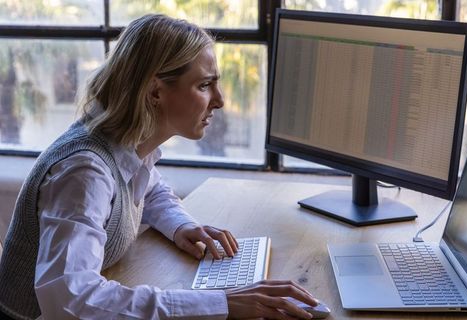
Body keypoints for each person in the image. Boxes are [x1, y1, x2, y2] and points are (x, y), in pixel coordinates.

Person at [0, 14, 318, 319]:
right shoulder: (85, 173)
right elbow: (70, 300)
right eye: (205, 85)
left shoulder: (127, 141)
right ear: (155, 92)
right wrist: (222, 303)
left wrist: (180, 225)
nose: (219, 100)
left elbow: (150, 192)